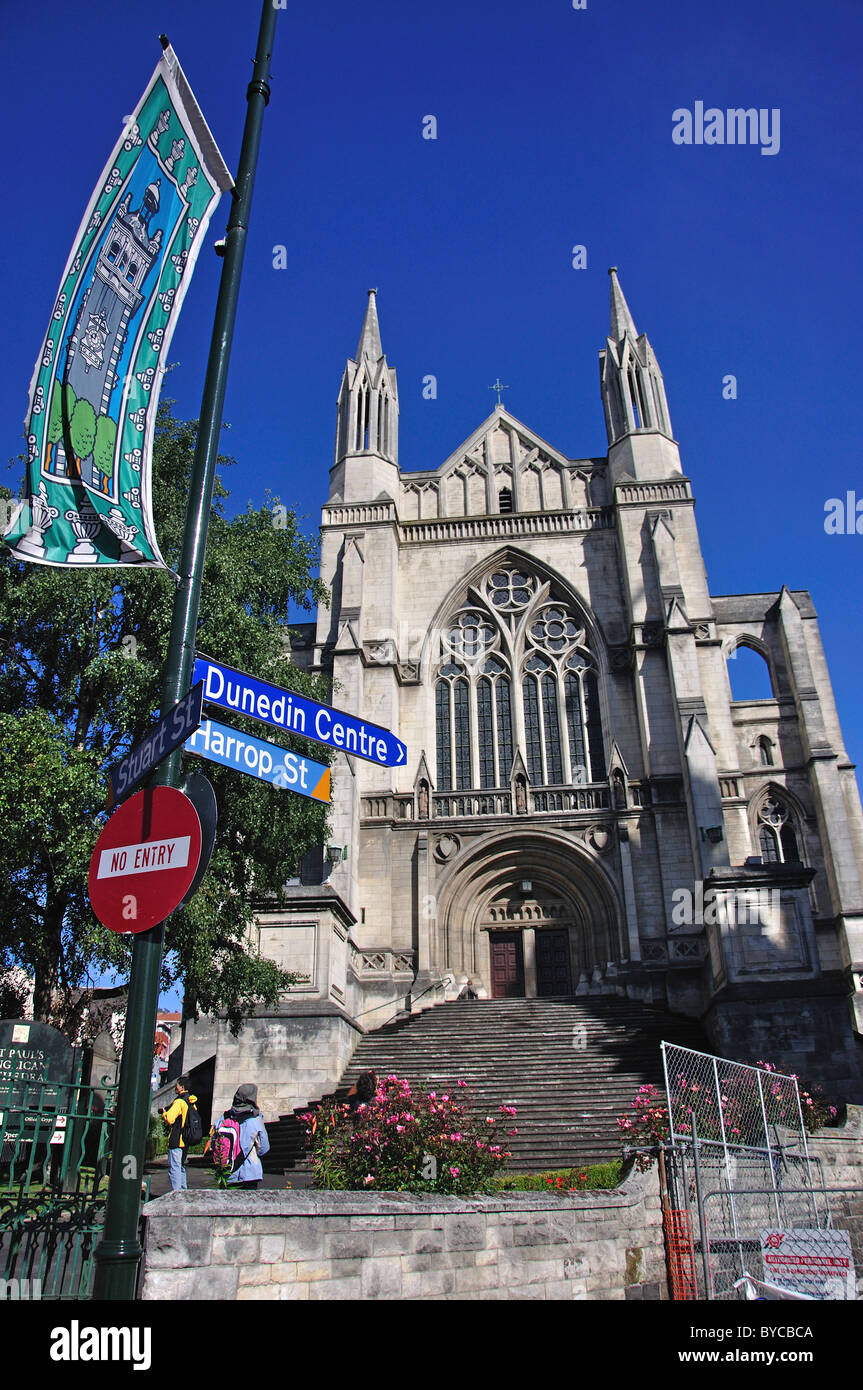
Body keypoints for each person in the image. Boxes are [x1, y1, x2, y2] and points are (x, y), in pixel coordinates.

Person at [211, 1083, 270, 1189]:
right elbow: (264, 1149)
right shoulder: (255, 1121)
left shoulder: (223, 1118)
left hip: (226, 1173)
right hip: (249, 1174)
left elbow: (213, 1143)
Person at [159, 1076, 197, 1192]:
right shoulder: (191, 1101)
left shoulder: (179, 1101)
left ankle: (176, 1193)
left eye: (177, 1085)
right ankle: (183, 1191)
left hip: (177, 1138)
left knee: (174, 1168)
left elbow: (170, 1119)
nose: (176, 1087)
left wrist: (164, 1113)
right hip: (186, 1139)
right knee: (180, 1167)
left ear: (181, 1087)